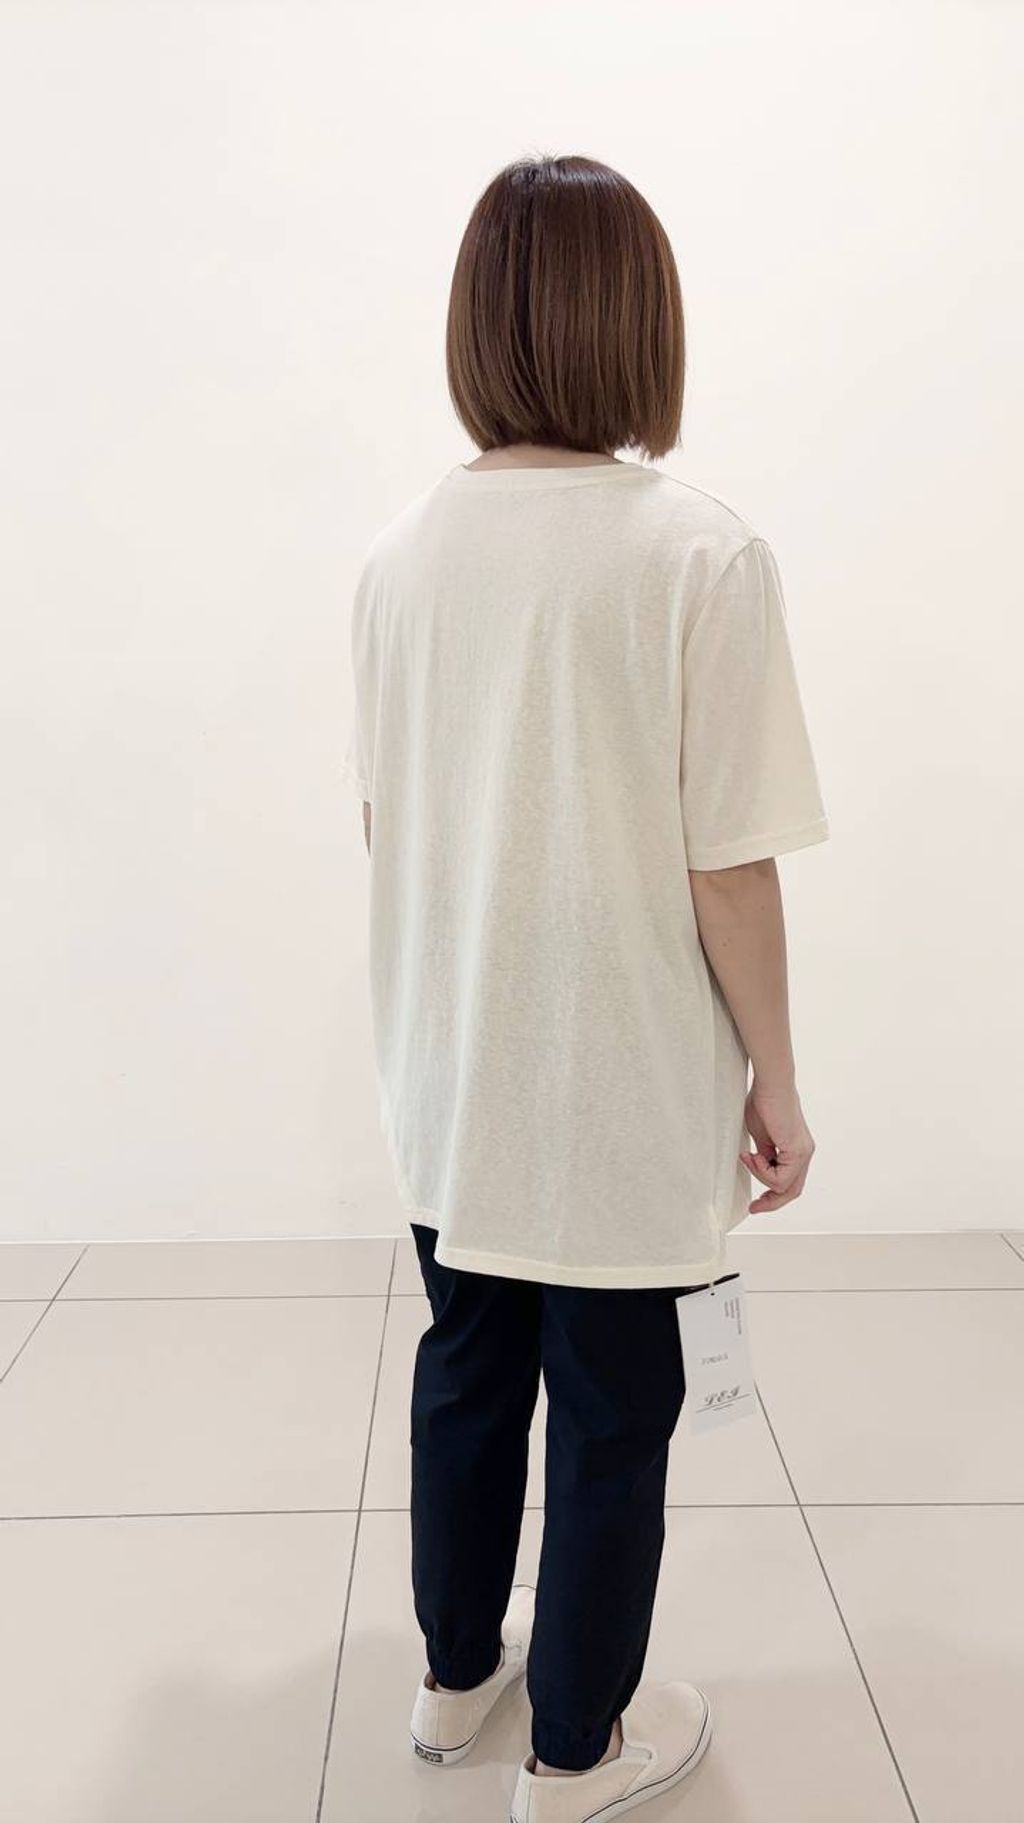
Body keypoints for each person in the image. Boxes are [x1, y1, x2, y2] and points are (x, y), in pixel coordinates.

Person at [342, 153, 829, 1822]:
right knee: (614, 1413)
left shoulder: (399, 558)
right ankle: (574, 1752)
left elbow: (386, 827)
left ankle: (452, 1681)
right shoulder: (698, 556)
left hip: (451, 1076)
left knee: (467, 1370)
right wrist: (776, 1081)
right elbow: (728, 864)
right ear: (641, 321)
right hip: (615, 1085)